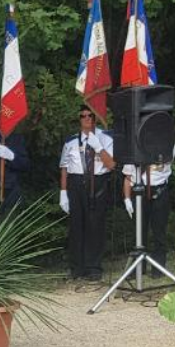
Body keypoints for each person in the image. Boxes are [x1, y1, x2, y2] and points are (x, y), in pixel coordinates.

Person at [59, 105, 117, 280]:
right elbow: (64, 167)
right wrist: (63, 192)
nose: (86, 118)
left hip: (98, 182)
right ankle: (76, 268)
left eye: (89, 115)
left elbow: (112, 165)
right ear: (79, 119)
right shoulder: (70, 141)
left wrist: (98, 147)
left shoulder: (106, 138)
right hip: (76, 183)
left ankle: (94, 267)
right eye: (82, 116)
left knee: (95, 225)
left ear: (95, 118)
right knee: (76, 226)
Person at [121, 147, 175, 269]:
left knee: (159, 231)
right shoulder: (134, 146)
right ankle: (139, 267)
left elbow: (167, 160)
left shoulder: (167, 144)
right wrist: (127, 198)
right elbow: (128, 177)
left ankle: (159, 267)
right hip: (139, 191)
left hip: (159, 190)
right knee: (139, 231)